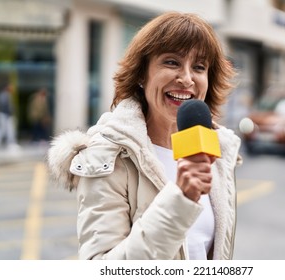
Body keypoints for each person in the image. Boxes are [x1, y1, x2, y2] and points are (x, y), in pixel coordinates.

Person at [47, 12, 242, 260]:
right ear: (142, 74)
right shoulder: (109, 155)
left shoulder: (217, 150)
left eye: (199, 67)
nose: (186, 78)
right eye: (171, 62)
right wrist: (180, 201)